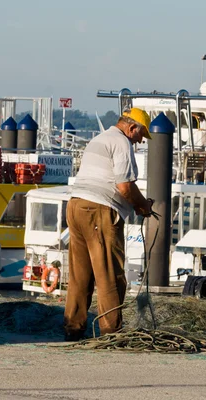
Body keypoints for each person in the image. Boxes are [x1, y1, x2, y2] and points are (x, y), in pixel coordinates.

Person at [63, 108, 154, 341]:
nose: (141, 140)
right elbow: (124, 187)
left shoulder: (99, 139)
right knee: (109, 275)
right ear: (132, 128)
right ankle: (111, 333)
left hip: (75, 206)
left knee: (79, 276)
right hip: (99, 210)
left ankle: (73, 329)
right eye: (141, 134)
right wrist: (142, 206)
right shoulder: (121, 143)